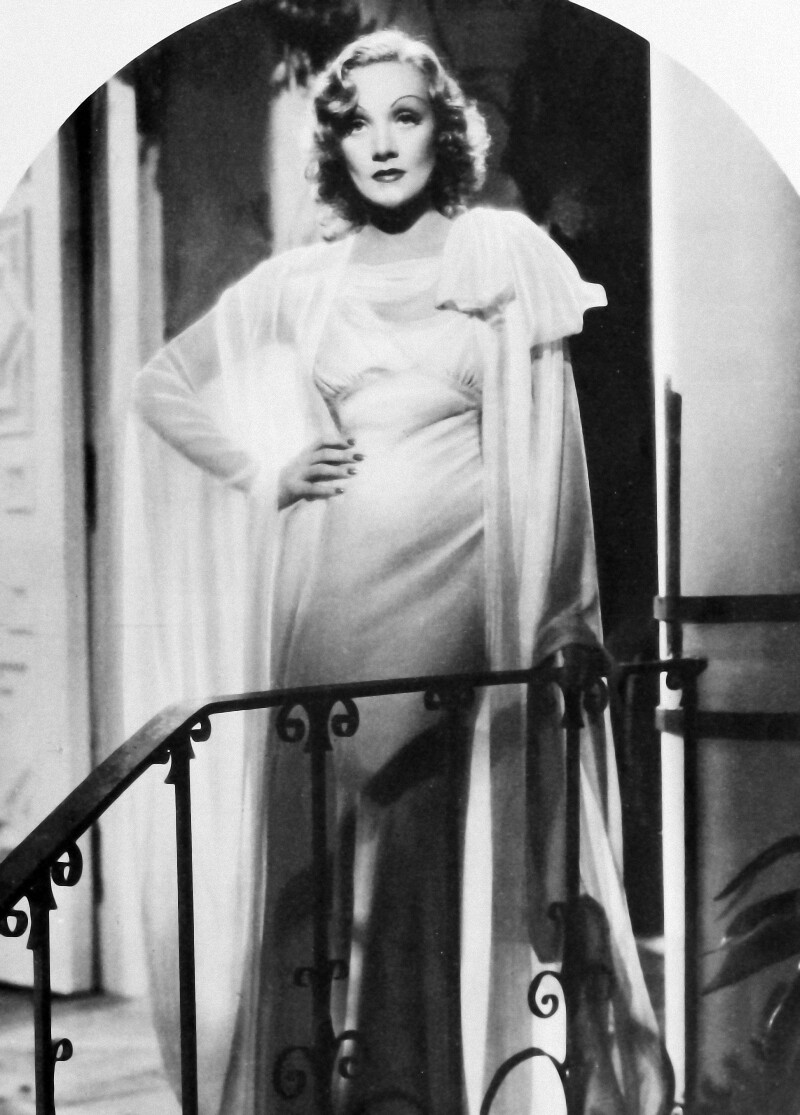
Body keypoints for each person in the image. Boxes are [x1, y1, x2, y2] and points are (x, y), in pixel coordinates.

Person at [125, 28, 668, 1115]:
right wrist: (263, 469)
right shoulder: (304, 282)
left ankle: (414, 1095)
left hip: (456, 606)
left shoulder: (499, 257)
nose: (380, 142)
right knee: (313, 878)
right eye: (357, 123)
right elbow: (162, 384)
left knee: (422, 872)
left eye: (405, 117)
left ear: (442, 134)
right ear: (335, 146)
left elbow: (550, 462)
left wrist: (561, 619)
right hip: (328, 605)